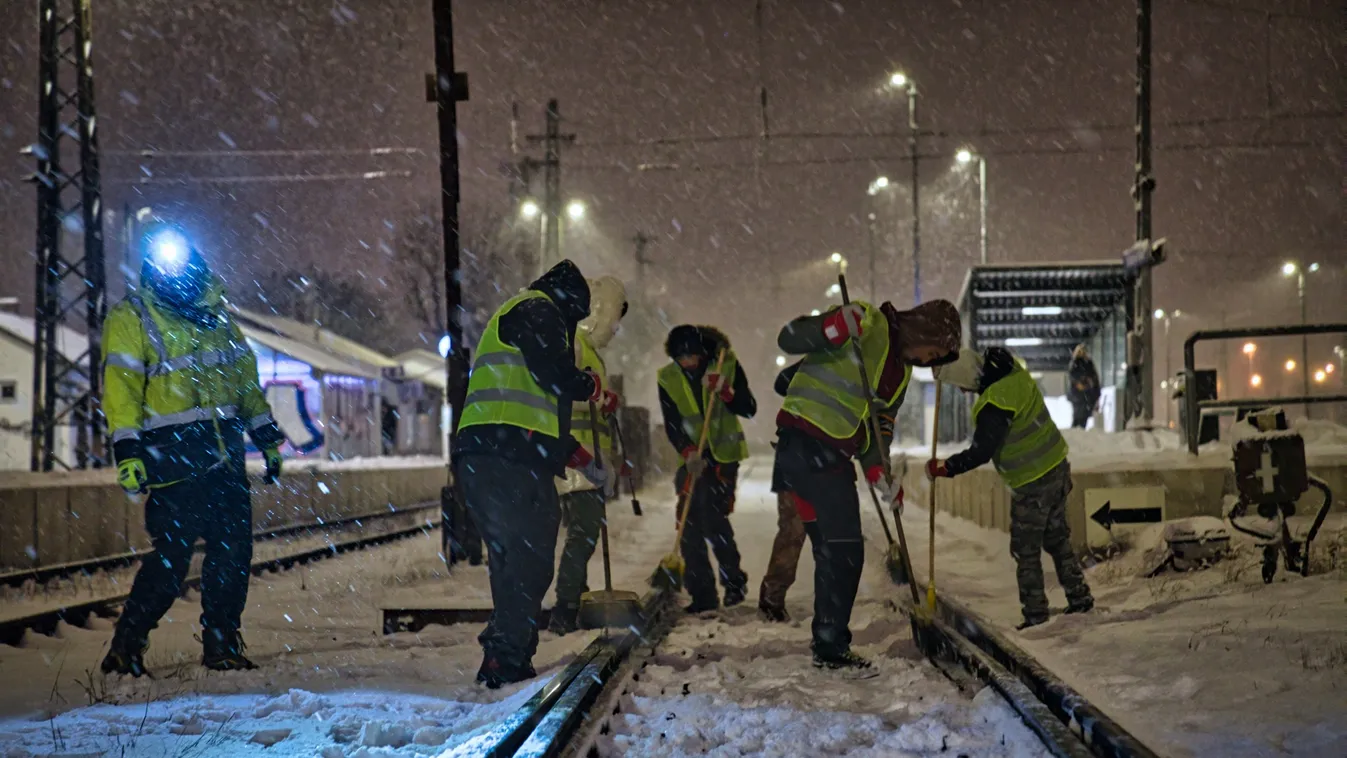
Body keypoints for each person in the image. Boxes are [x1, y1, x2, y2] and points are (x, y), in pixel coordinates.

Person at [100, 231, 285, 676]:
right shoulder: (133, 319)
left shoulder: (219, 319)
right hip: (172, 462)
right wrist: (128, 452)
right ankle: (127, 645)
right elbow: (120, 392)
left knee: (232, 556)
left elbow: (246, 389)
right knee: (171, 563)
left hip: (224, 459)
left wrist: (268, 439)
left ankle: (222, 643)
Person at [453, 260, 620, 688]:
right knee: (529, 558)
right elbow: (556, 374)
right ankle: (504, 653)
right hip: (507, 460)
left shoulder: (527, 316)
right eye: (576, 317)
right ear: (569, 303)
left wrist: (586, 464)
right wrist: (589, 386)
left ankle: (509, 655)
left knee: (511, 560)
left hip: (490, 455)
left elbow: (540, 420)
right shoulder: (537, 309)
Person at [768, 299, 961, 669]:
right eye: (931, 351)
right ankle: (830, 647)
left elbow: (878, 429)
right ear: (924, 330)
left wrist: (879, 471)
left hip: (829, 456)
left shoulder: (901, 377)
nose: (926, 361)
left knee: (830, 551)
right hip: (806, 444)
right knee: (843, 552)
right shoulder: (866, 322)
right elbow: (788, 337)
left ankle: (828, 642)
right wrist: (834, 327)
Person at [929, 347, 1094, 630]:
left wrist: (946, 467)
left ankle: (1036, 615)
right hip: (1057, 467)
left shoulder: (995, 403)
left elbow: (981, 452)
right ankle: (1080, 598)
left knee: (1025, 551)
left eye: (959, 385)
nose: (961, 391)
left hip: (1033, 483)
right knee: (1057, 540)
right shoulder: (1014, 374)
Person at [549, 276, 630, 635]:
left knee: (582, 534)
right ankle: (565, 609)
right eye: (614, 319)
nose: (615, 328)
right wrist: (596, 398)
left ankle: (573, 600)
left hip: (588, 460)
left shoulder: (591, 352)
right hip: (576, 459)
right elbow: (563, 389)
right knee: (583, 534)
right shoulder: (576, 345)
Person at [657, 325, 755, 613]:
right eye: (681, 358)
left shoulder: (726, 364)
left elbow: (749, 407)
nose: (687, 362)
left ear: (701, 352)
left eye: (692, 356)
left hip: (723, 457)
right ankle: (702, 595)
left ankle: (733, 582)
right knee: (688, 526)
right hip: (691, 459)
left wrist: (726, 392)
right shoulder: (667, 377)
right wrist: (687, 451)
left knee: (712, 519)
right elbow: (672, 420)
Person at [1066, 344, 1100, 429]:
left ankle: (1078, 430)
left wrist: (1092, 385)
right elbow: (1073, 377)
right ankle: (1076, 431)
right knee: (1078, 415)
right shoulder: (1075, 363)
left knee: (1083, 416)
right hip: (1079, 394)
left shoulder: (1088, 363)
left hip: (1086, 394)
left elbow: (1094, 377)